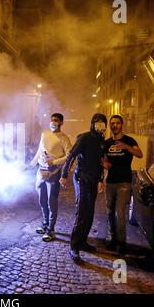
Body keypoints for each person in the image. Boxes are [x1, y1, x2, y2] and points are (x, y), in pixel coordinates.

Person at [59, 113, 107, 264]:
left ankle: (83, 241)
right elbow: (71, 156)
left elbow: (100, 163)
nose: (100, 125)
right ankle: (74, 246)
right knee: (82, 211)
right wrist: (64, 174)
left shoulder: (101, 140)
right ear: (92, 123)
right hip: (82, 178)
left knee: (90, 212)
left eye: (103, 122)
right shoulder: (84, 137)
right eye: (97, 122)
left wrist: (100, 179)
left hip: (93, 179)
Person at [103, 115, 143, 255]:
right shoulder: (107, 143)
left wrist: (126, 147)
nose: (115, 125)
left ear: (122, 125)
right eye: (112, 123)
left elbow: (139, 154)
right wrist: (104, 163)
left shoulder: (129, 140)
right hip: (110, 182)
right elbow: (104, 159)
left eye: (117, 123)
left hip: (124, 183)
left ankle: (121, 244)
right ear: (110, 125)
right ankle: (113, 240)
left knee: (119, 213)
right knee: (109, 212)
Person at [29, 113, 72, 242]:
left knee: (51, 201)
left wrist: (54, 162)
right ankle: (45, 223)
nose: (53, 122)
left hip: (54, 173)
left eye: (56, 120)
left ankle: (51, 229)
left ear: (61, 123)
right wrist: (31, 164)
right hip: (40, 172)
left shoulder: (64, 138)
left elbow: (69, 155)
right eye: (52, 120)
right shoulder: (45, 134)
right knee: (42, 200)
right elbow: (39, 151)